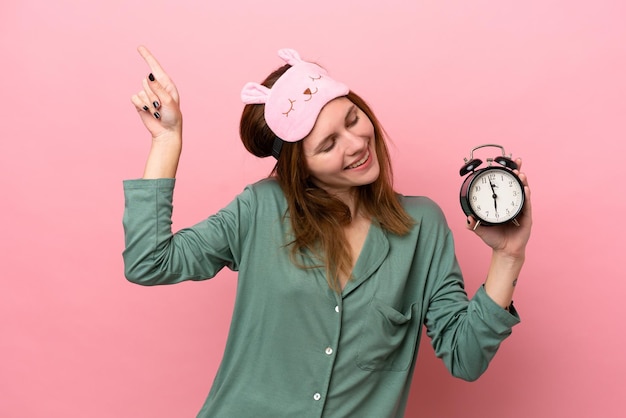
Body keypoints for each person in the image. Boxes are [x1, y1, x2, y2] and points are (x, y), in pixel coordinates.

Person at [123, 45, 532, 418]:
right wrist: (166, 140)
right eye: (328, 144)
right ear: (301, 166)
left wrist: (508, 255)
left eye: (354, 119)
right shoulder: (260, 208)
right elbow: (149, 262)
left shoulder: (422, 225)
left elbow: (466, 356)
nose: (356, 144)